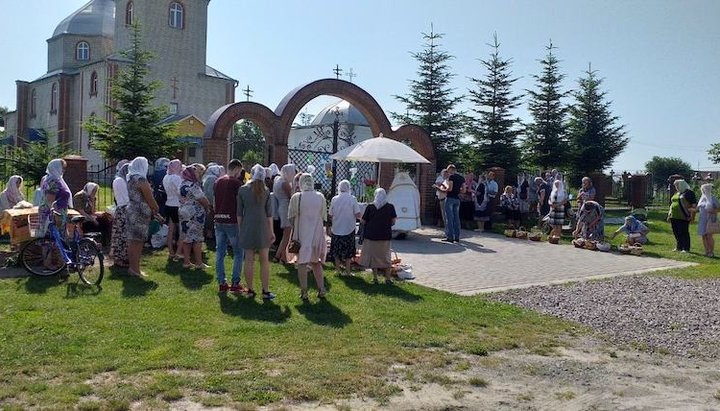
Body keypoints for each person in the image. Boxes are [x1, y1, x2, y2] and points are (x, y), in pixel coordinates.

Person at [237, 165, 276, 300]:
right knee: (264, 260)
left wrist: (241, 229)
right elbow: (269, 214)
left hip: (248, 225)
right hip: (263, 227)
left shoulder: (242, 190)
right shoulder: (266, 190)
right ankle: (265, 291)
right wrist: (271, 231)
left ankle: (250, 290)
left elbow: (239, 214)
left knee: (249, 259)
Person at [287, 173, 328, 300]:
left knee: (302, 264)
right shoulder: (320, 197)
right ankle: (321, 289)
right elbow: (324, 216)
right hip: (316, 234)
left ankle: (304, 292)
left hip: (302, 235)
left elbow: (290, 218)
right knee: (316, 263)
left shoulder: (296, 197)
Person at [213, 159, 245, 293]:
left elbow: (214, 200)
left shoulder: (218, 181)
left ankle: (222, 282)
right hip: (232, 220)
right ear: (237, 169)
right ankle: (235, 282)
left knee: (220, 252)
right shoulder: (236, 183)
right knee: (238, 252)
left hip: (219, 219)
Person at [126, 156, 159, 277]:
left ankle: (132, 268)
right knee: (138, 242)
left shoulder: (130, 178)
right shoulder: (141, 180)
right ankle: (136, 270)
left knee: (132, 241)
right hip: (140, 212)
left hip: (131, 211)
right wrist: (156, 208)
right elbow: (149, 198)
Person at [360, 188, 397, 284]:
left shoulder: (370, 207)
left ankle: (375, 278)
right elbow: (393, 221)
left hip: (371, 236)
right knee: (386, 257)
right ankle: (387, 279)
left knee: (373, 258)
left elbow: (363, 221)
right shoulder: (390, 207)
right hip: (385, 236)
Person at [179, 164, 211, 269]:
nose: (199, 174)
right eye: (197, 173)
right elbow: (202, 199)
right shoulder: (193, 185)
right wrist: (207, 207)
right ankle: (198, 262)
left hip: (184, 212)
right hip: (195, 214)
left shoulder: (182, 184)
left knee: (186, 237)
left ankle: (186, 261)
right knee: (197, 238)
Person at [329, 179, 361, 276]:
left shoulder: (335, 199)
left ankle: (338, 270)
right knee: (348, 251)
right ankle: (348, 271)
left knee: (337, 251)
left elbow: (330, 214)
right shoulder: (352, 199)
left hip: (337, 228)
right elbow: (357, 214)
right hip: (349, 228)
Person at [37, 159, 72, 240]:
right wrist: (54, 215)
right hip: (54, 214)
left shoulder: (56, 179)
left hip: (58, 212)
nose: (64, 170)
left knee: (57, 239)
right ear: (56, 168)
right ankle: (49, 253)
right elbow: (50, 200)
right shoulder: (53, 181)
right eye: (62, 168)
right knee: (51, 239)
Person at [273, 163, 296, 263]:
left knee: (286, 234)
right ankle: (278, 256)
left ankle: (283, 257)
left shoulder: (278, 180)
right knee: (287, 234)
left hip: (281, 207)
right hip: (286, 208)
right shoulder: (285, 183)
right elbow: (291, 195)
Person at [667, 179, 697, 253]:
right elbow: (672, 204)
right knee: (676, 232)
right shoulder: (677, 193)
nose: (676, 187)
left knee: (683, 232)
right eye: (675, 186)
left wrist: (692, 216)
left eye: (677, 185)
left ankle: (686, 248)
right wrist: (669, 214)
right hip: (674, 216)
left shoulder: (689, 193)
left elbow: (693, 205)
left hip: (683, 216)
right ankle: (679, 246)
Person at [163, 159, 183, 260]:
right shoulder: (176, 178)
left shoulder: (166, 177)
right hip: (177, 205)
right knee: (182, 230)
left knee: (171, 230)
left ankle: (171, 251)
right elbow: (180, 191)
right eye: (179, 166)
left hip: (168, 203)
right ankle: (179, 252)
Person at [111, 161, 130, 267]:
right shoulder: (120, 181)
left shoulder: (118, 180)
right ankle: (120, 258)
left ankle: (122, 257)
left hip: (121, 208)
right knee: (121, 235)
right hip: (123, 209)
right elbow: (126, 197)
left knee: (121, 234)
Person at [439, 164, 464, 243]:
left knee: (449, 218)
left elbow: (450, 189)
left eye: (448, 171)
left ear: (450, 170)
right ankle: (457, 237)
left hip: (450, 198)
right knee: (456, 218)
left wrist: (440, 188)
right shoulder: (461, 178)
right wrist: (457, 190)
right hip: (457, 199)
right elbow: (464, 190)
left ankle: (450, 237)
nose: (448, 172)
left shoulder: (451, 177)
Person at [697, 183, 718, 257]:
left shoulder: (713, 198)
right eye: (702, 189)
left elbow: (718, 208)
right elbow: (698, 208)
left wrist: (712, 211)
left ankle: (711, 252)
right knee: (703, 235)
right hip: (702, 219)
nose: (703, 191)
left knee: (709, 235)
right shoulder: (702, 198)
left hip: (710, 219)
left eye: (704, 189)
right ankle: (706, 251)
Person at [202, 164, 223, 242]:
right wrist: (213, 203)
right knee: (210, 218)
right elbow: (211, 192)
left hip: (207, 201)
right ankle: (209, 234)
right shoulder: (212, 179)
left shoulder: (207, 177)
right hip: (210, 202)